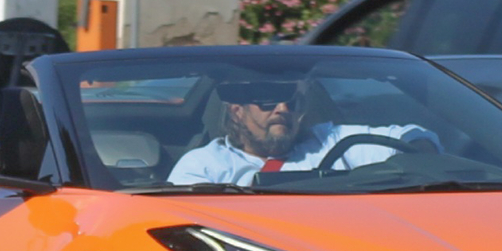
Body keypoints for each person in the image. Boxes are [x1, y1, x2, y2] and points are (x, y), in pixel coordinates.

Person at [165, 75, 437, 185]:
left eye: (291, 101)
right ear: (237, 111)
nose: (283, 108)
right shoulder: (205, 166)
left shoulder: (331, 141)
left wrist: (421, 156)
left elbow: (412, 136)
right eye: (269, 99)